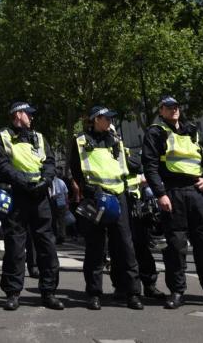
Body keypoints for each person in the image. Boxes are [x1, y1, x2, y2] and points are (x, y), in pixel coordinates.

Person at [142, 95, 203, 310]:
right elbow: (151, 165)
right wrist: (160, 193)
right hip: (173, 192)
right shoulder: (156, 132)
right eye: (169, 107)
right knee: (175, 245)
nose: (174, 110)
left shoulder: (194, 130)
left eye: (176, 107)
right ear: (161, 111)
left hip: (196, 191)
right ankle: (177, 291)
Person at [69, 106, 142, 310]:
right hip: (95, 197)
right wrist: (86, 188)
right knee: (95, 248)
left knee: (125, 247)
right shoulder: (81, 140)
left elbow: (125, 165)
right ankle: (94, 293)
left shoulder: (116, 139)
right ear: (95, 119)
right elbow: (76, 168)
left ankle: (132, 292)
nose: (110, 121)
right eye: (106, 118)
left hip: (118, 195)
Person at [0, 100, 62, 311]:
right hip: (17, 195)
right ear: (18, 114)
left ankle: (48, 292)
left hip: (40, 196)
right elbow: (2, 166)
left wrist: (45, 181)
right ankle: (13, 293)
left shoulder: (39, 137)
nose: (32, 117)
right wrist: (24, 183)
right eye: (28, 114)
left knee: (46, 246)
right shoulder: (2, 136)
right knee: (15, 247)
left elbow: (49, 162)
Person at [121, 144, 160, 297]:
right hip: (118, 201)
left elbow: (136, 165)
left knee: (142, 246)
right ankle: (125, 287)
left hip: (135, 202)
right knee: (122, 249)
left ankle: (149, 285)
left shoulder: (125, 151)